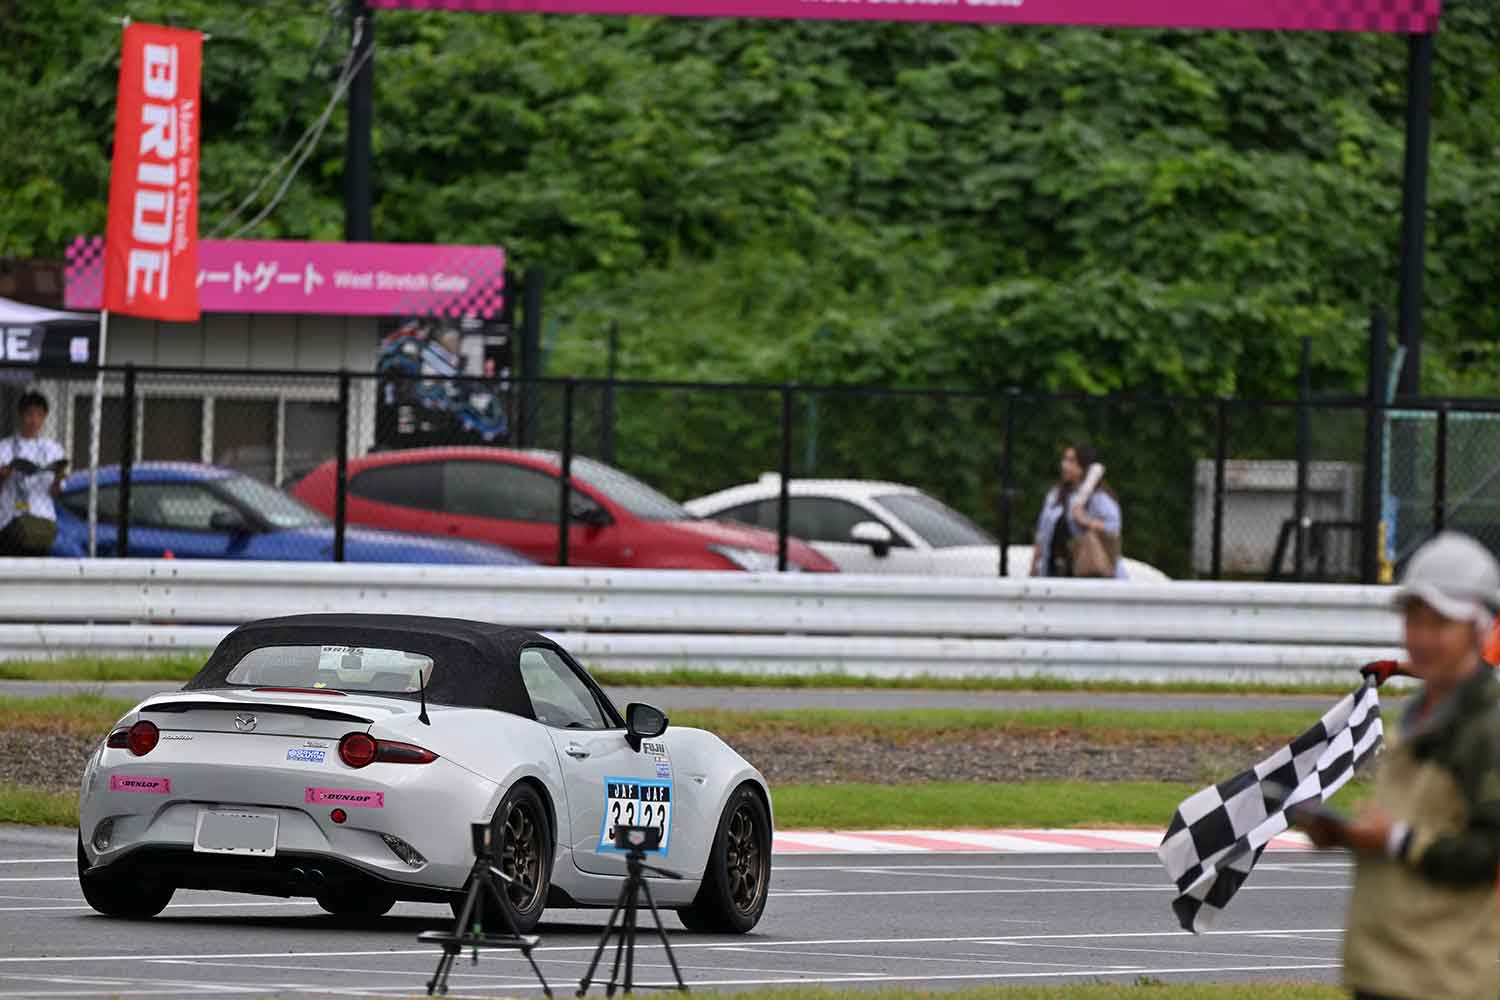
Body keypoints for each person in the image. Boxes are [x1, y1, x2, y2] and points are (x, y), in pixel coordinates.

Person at [1302, 532, 1500, 1000]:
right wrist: (1356, 837)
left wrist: (1395, 839)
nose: (1422, 636)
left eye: (1439, 622)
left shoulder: (1484, 728)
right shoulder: (1420, 718)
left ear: (1477, 626)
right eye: (1413, 620)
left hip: (1448, 975)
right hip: (1390, 969)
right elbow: (1458, 662)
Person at [1029, 442, 1124, 579]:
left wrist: (1085, 520)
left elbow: (1113, 528)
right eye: (1065, 459)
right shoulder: (1055, 496)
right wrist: (1034, 566)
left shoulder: (1098, 497)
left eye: (1071, 461)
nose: (1064, 465)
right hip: (1056, 570)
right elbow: (1042, 534)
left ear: (1083, 465)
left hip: (1090, 571)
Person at [0, 391, 67, 557]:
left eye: (39, 415)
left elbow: (56, 493)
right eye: (30, 414)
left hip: (41, 522)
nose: (34, 420)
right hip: (10, 521)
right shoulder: (4, 448)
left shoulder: (52, 449)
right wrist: (3, 476)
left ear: (45, 418)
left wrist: (58, 477)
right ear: (21, 415)